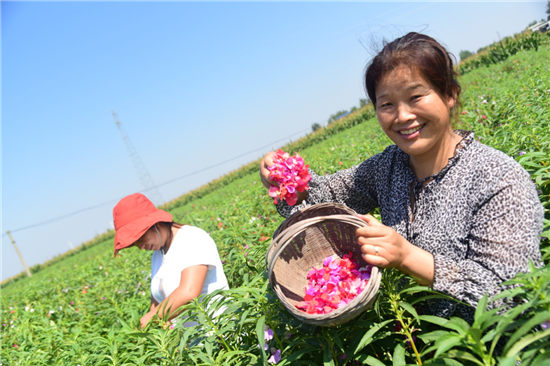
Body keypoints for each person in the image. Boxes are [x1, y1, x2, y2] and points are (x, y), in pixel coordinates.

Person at [259, 32, 543, 322]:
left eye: (416, 96)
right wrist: (284, 177)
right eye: (387, 104)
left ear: (449, 95)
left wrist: (407, 257)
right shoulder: (388, 167)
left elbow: (514, 296)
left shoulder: (499, 179)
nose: (403, 115)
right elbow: (320, 199)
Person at [112, 193, 229, 328]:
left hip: (218, 333)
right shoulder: (157, 256)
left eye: (140, 238)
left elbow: (189, 292)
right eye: (134, 244)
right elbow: (156, 303)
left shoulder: (191, 238)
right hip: (190, 344)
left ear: (155, 224)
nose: (140, 246)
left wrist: (150, 318)